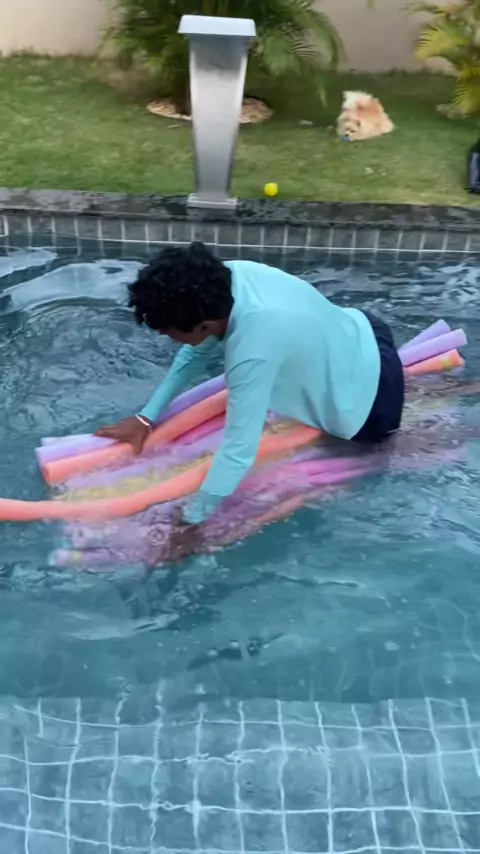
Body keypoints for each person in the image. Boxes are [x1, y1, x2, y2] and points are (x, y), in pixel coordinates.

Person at [96, 241, 404, 546]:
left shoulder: (253, 349)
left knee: (372, 452)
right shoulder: (229, 277)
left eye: (167, 331)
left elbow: (239, 450)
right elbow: (195, 354)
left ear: (204, 325)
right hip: (366, 329)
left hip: (372, 408)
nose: (165, 335)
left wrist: (191, 522)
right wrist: (146, 418)